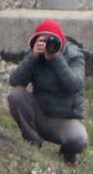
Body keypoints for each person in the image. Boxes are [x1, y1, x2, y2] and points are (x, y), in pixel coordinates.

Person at [6, 19, 87, 165]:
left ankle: (67, 155)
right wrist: (32, 57)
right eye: (42, 40)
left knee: (79, 139)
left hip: (64, 120)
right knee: (15, 95)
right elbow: (15, 81)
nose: (47, 45)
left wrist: (56, 59)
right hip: (40, 113)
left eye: (51, 41)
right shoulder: (35, 56)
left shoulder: (74, 56)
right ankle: (32, 140)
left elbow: (74, 85)